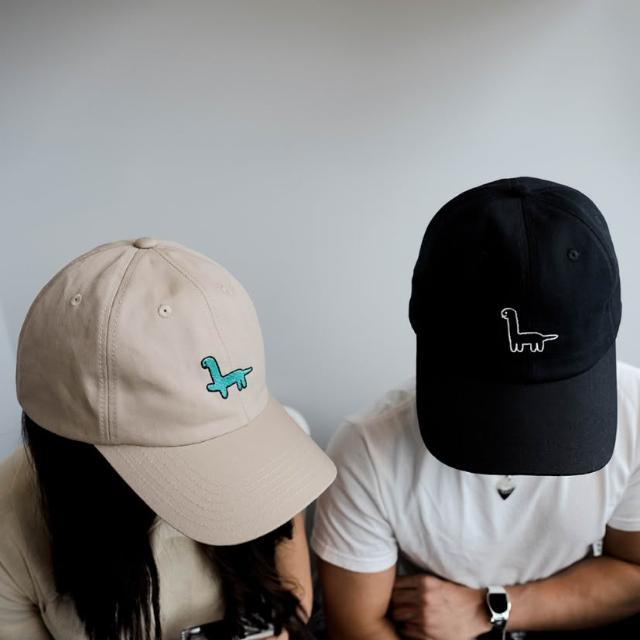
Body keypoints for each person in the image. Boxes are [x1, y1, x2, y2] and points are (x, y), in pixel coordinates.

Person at [311, 178, 640, 639]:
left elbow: (635, 573)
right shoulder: (366, 449)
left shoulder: (636, 414)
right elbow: (358, 628)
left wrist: (490, 607)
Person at [0, 237, 336, 640]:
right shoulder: (11, 528)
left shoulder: (274, 449)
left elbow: (292, 605)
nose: (237, 469)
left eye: (235, 437)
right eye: (188, 450)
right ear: (78, 455)